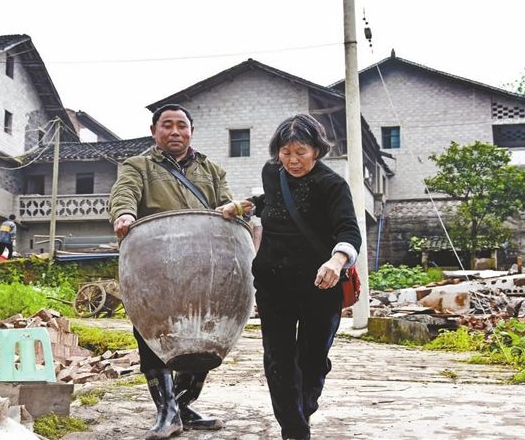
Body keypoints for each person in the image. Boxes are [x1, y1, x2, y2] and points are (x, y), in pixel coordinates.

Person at [218, 114, 361, 440]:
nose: (293, 160)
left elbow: (349, 231)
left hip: (320, 285)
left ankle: (304, 405)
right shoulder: (272, 172)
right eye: (286, 152)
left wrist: (336, 262)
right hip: (274, 282)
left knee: (311, 359)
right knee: (278, 361)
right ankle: (294, 431)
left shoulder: (332, 185)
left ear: (317, 150)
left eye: (301, 151)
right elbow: (274, 201)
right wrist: (244, 206)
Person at [109, 103, 232, 439]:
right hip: (154, 268)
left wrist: (236, 212)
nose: (175, 131)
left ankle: (183, 404)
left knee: (205, 337)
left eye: (182, 125)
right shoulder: (138, 166)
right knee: (152, 336)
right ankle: (167, 412)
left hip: (203, 268)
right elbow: (124, 193)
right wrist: (123, 214)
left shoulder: (211, 170)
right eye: (167, 125)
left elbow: (226, 206)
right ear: (154, 131)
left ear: (191, 131)